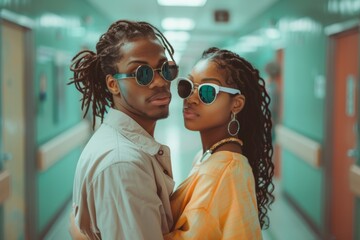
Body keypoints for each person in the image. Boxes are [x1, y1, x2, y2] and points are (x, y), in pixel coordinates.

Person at [69, 19, 179, 239]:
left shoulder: (123, 147)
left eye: (164, 69)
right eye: (143, 73)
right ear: (113, 84)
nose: (159, 82)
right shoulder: (123, 165)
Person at [163, 47, 275, 239]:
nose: (191, 98)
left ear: (236, 104)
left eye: (207, 92)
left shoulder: (227, 170)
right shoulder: (207, 156)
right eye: (187, 87)